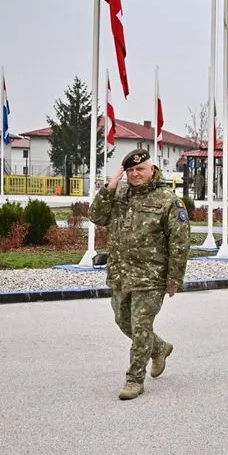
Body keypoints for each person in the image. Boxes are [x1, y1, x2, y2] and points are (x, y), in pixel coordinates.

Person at [89, 148, 191, 401]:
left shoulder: (168, 200)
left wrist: (174, 279)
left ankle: (134, 379)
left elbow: (180, 242)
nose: (135, 174)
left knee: (141, 326)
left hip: (151, 276)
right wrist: (109, 188)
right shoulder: (120, 193)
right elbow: (96, 216)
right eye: (130, 170)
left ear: (152, 169)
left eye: (140, 169)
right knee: (123, 322)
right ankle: (159, 348)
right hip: (121, 273)